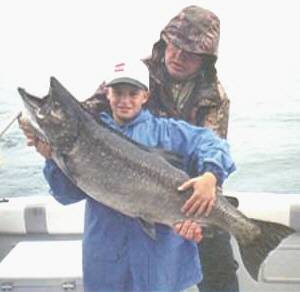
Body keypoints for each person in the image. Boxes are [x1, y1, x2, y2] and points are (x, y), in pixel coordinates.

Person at [19, 59, 236, 292]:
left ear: (146, 96)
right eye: (118, 92)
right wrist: (51, 159)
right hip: (106, 262)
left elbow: (213, 144)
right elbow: (66, 195)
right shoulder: (89, 134)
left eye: (133, 93)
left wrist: (211, 176)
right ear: (107, 94)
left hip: (160, 262)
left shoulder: (168, 131)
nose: (124, 100)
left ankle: (251, 234)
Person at [83, 5, 239, 292]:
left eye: (190, 52)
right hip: (138, 185)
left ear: (206, 59)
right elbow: (85, 120)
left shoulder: (214, 95)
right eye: (174, 45)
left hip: (188, 190)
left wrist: (209, 180)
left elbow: (213, 146)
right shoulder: (134, 75)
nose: (178, 56)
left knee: (220, 266)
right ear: (164, 42)